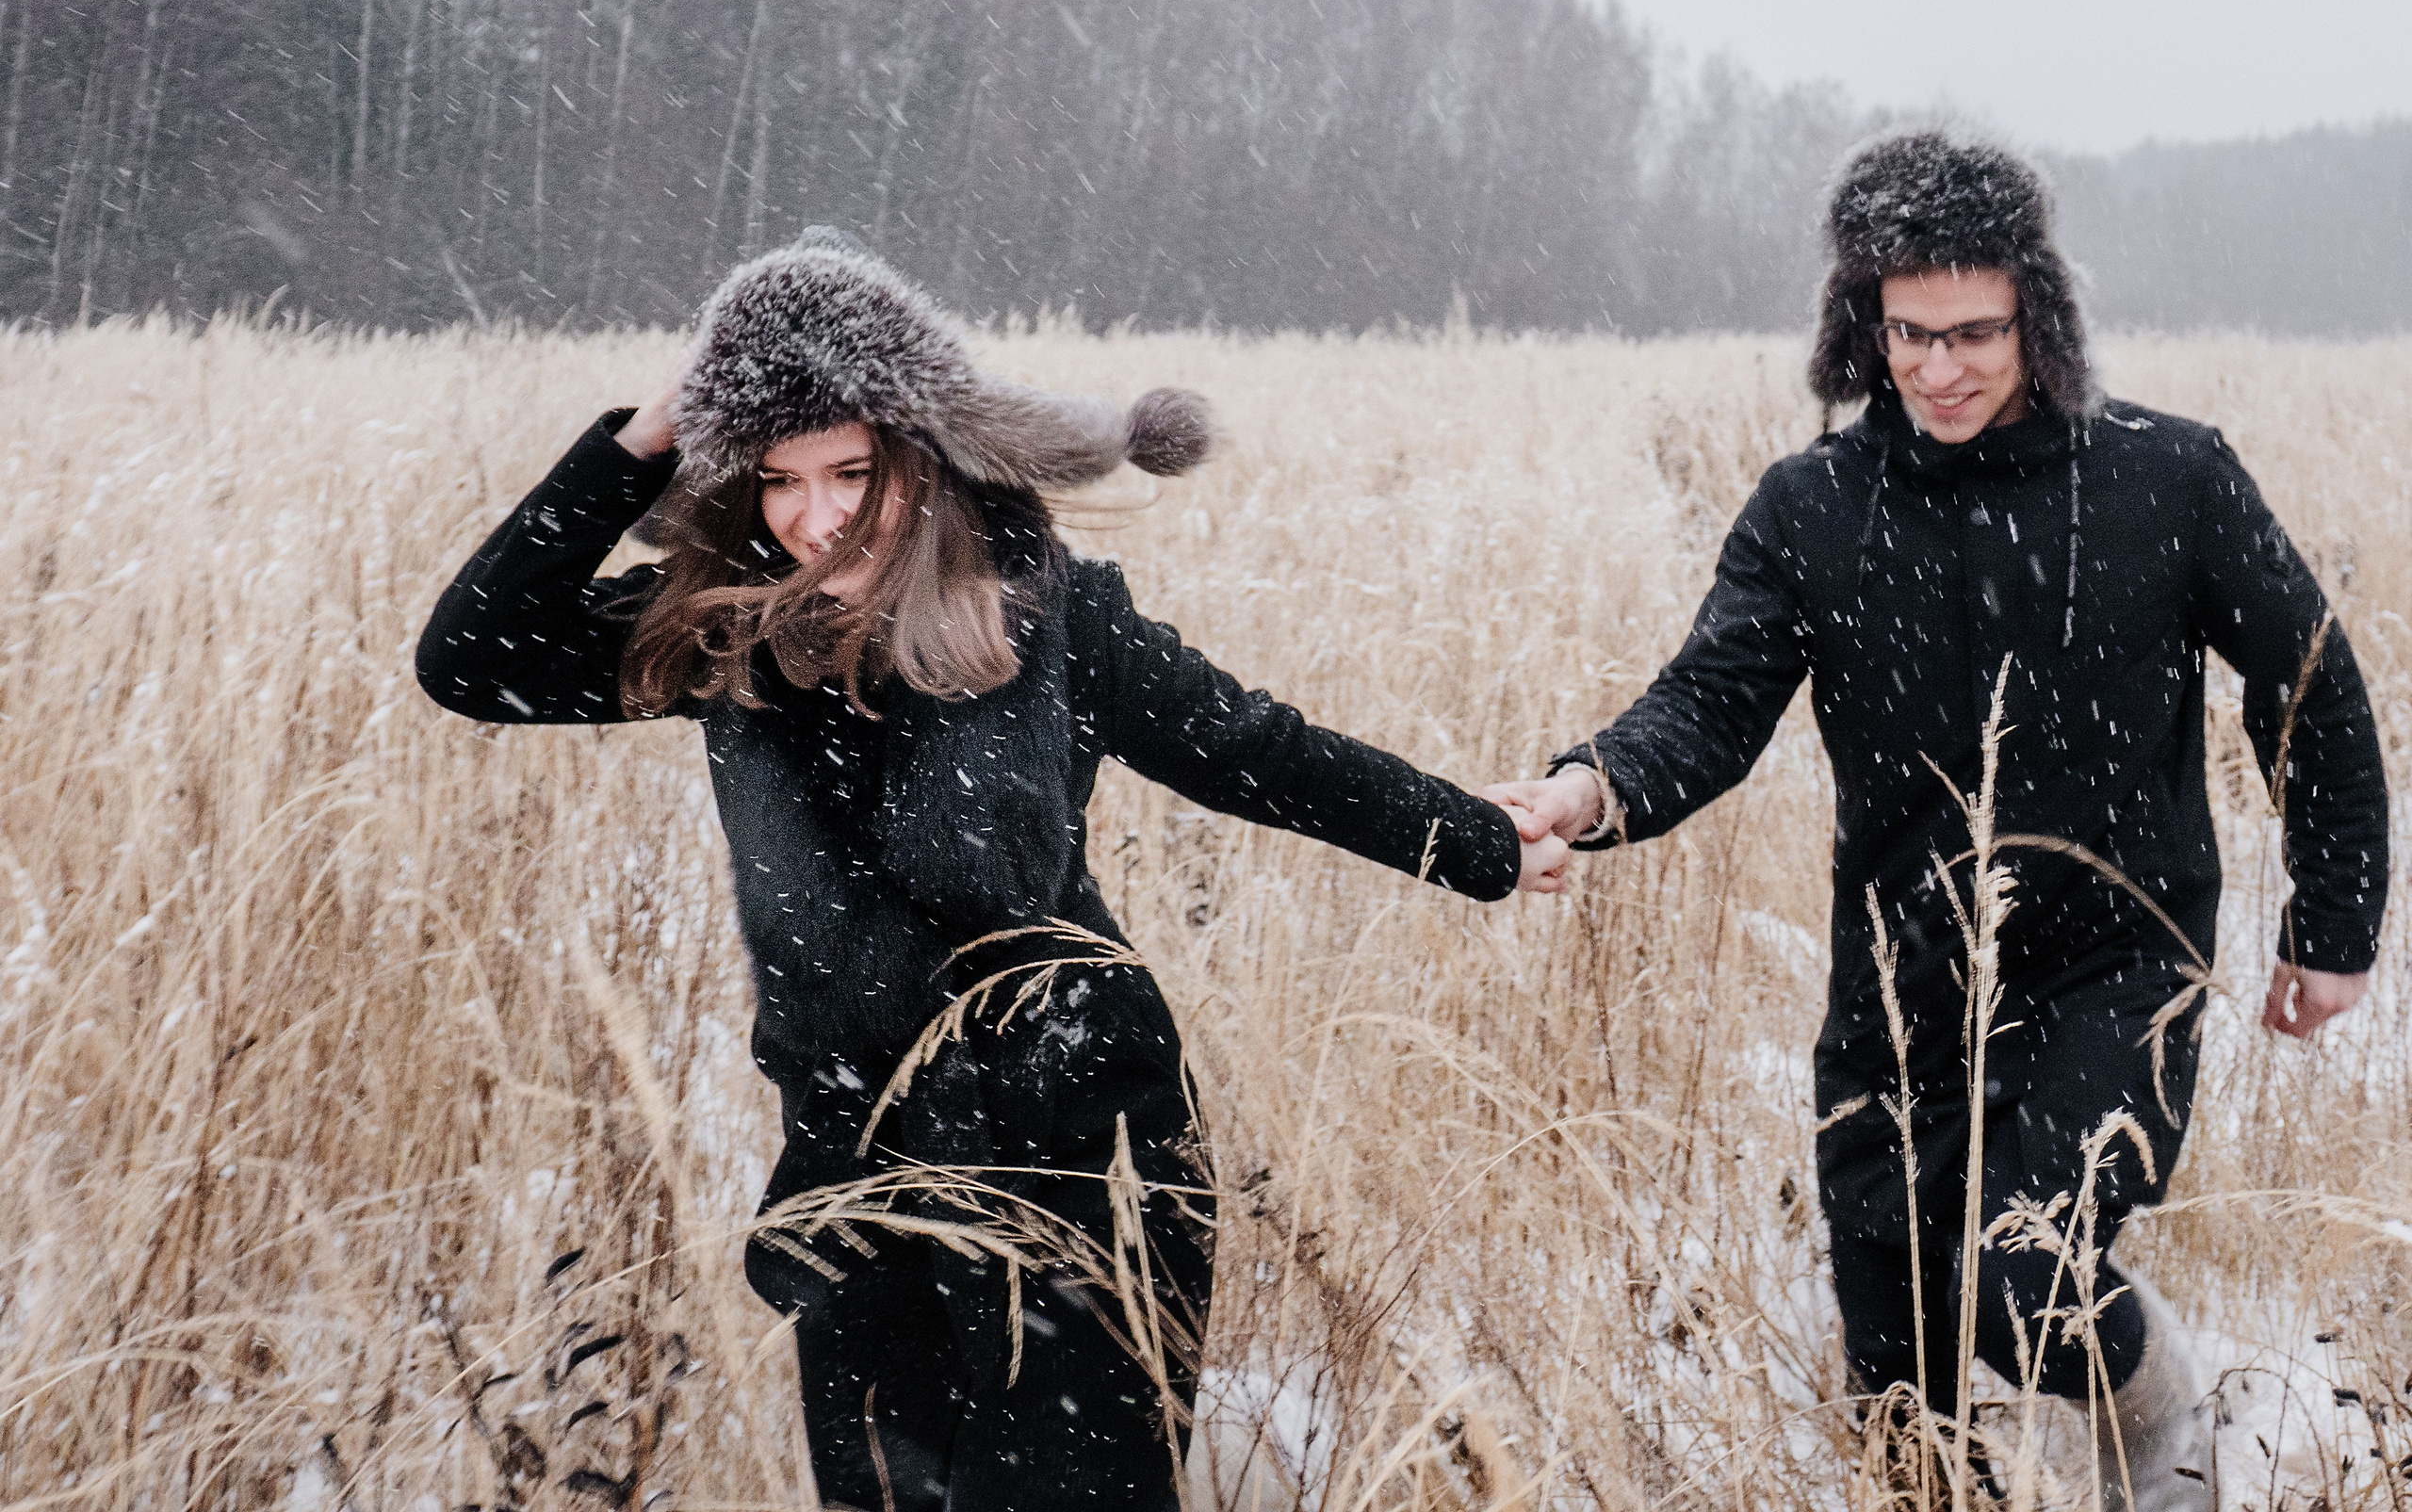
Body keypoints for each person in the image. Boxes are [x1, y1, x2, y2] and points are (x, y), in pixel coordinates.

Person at [416, 228, 1565, 1512]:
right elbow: (468, 657)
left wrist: (1478, 842)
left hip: (1085, 1166)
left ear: (920, 448)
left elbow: (1258, 752)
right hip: (857, 1187)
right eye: (781, 481)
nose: (819, 516)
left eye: (852, 469)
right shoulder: (721, 638)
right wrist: (648, 433)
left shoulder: (1043, 609)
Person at [1489, 131, 2388, 1510]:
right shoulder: (1815, 506)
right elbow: (1711, 704)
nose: (1941, 368)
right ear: (1867, 324)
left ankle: (2168, 1448)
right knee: (1895, 1377)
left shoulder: (2168, 478)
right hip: (1901, 984)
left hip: (2116, 961)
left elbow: (2311, 693)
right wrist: (1586, 790)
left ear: (2039, 313)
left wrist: (2331, 924)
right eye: (1909, 333)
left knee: (2020, 1280)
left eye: (1976, 332)